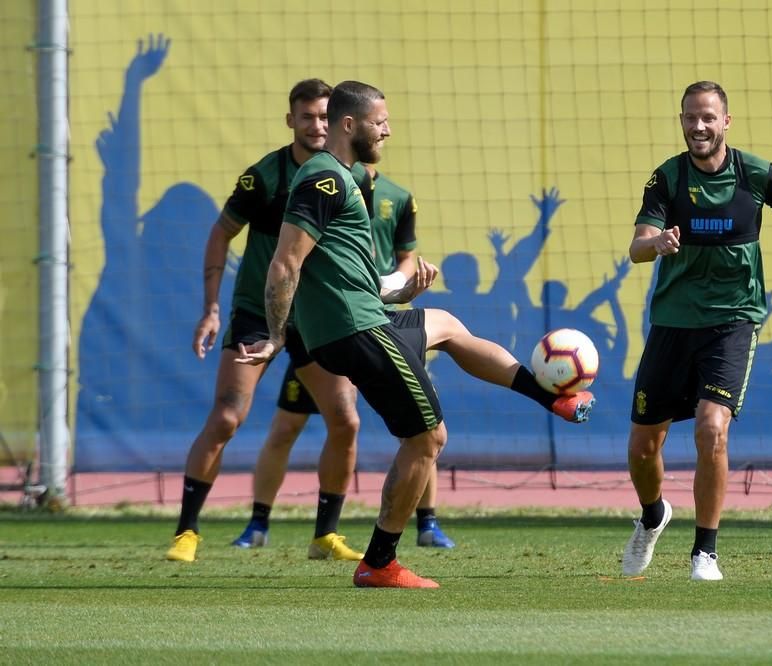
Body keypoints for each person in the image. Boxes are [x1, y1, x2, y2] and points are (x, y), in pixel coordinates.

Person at [236, 80, 592, 588]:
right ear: (350, 125)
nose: (388, 129)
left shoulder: (344, 177)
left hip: (360, 317)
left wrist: (404, 289)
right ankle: (379, 562)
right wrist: (275, 336)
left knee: (446, 325)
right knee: (428, 438)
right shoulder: (325, 180)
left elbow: (351, 276)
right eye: (380, 121)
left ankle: (551, 399)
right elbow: (284, 264)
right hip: (353, 329)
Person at [621, 81, 772, 581]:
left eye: (708, 117)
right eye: (690, 118)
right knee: (643, 449)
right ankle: (653, 514)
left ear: (726, 121)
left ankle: (705, 552)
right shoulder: (667, 178)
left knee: (712, 428)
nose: (698, 126)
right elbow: (637, 246)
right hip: (672, 324)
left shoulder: (756, 173)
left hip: (733, 320)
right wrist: (657, 242)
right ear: (681, 121)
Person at [166, 79, 370, 564]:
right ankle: (187, 532)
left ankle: (325, 536)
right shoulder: (264, 177)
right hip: (259, 313)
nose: (316, 126)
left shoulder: (353, 176)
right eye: (307, 117)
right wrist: (212, 308)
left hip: (316, 317)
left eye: (324, 116)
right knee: (227, 417)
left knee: (346, 420)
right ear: (291, 121)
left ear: (337, 119)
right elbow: (221, 234)